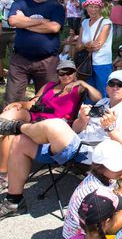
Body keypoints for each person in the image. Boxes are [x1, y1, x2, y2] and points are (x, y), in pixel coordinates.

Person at [0, 70, 122, 218]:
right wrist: (82, 120)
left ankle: (16, 127)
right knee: (20, 141)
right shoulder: (102, 103)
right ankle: (14, 202)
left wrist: (110, 129)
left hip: (90, 154)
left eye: (121, 84)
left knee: (56, 125)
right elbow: (76, 129)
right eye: (112, 83)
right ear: (107, 87)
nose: (116, 87)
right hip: (74, 145)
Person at [0, 60, 100, 193]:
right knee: (10, 113)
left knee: (11, 130)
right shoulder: (49, 86)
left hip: (51, 126)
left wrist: (82, 82)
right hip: (34, 116)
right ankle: (3, 172)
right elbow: (33, 102)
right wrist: (20, 104)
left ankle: (4, 176)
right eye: (61, 73)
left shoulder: (78, 88)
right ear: (57, 74)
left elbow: (98, 98)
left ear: (74, 73)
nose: (65, 76)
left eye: (69, 72)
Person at [5, 0, 65, 104]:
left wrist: (24, 22)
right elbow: (13, 20)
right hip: (20, 59)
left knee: (47, 100)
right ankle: (9, 123)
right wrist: (43, 21)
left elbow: (54, 28)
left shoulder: (56, 7)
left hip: (48, 62)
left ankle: (40, 124)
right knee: (12, 99)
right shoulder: (20, 3)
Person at [78, 0, 113, 96]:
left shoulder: (106, 23)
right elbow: (78, 46)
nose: (93, 10)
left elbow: (97, 46)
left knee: (104, 92)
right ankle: (89, 110)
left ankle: (103, 111)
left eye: (96, 7)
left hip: (102, 64)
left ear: (100, 8)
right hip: (86, 63)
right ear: (86, 8)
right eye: (90, 7)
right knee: (88, 92)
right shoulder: (84, 23)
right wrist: (87, 45)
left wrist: (84, 45)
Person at [0, 0, 16, 86]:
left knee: (0, 57)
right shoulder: (15, 3)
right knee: (15, 56)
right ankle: (15, 79)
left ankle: (1, 78)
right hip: (15, 32)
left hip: (2, 32)